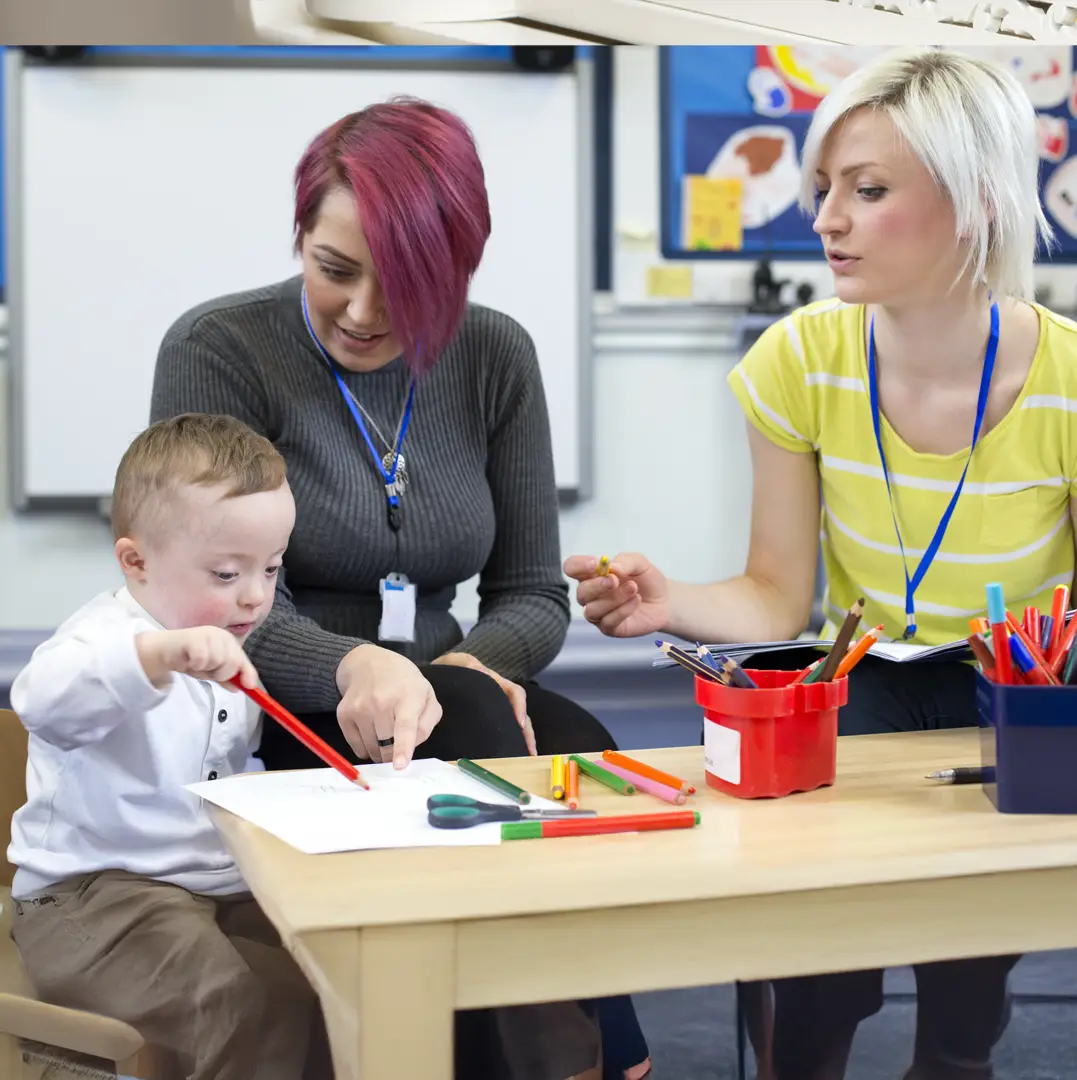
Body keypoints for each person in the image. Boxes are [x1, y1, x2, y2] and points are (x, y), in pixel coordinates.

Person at [566, 47, 1077, 1080]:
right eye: (822, 189)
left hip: (1019, 686)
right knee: (809, 943)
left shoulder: (1069, 376)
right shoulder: (798, 360)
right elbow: (774, 595)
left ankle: (958, 1055)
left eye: (868, 190)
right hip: (864, 674)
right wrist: (671, 599)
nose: (826, 219)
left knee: (969, 965)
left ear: (976, 199)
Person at [149, 98, 648, 1080]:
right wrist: (359, 664)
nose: (367, 312)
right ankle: (578, 1058)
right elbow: (204, 603)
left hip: (455, 700)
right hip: (274, 705)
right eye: (336, 269)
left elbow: (531, 596)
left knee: (581, 746)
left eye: (410, 284)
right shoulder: (220, 350)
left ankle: (558, 1046)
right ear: (300, 236)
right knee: (479, 756)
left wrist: (463, 662)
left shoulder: (494, 354)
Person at [7, 414, 330, 1080]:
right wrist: (159, 656)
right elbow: (42, 698)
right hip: (87, 898)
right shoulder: (104, 639)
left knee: (330, 984)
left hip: (208, 892)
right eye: (224, 573)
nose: (254, 596)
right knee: (230, 1005)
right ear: (136, 561)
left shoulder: (228, 645)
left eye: (270, 569)